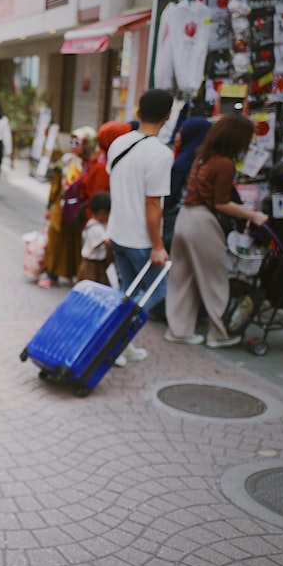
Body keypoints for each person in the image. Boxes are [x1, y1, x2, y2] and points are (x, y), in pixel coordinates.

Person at [165, 113, 269, 349]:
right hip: (203, 222)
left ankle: (179, 330)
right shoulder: (225, 164)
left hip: (185, 217)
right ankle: (218, 334)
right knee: (215, 280)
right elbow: (221, 203)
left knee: (182, 278)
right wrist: (253, 215)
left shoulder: (201, 158)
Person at [106, 88, 175, 365]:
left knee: (127, 290)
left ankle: (123, 343)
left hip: (117, 231)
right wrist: (158, 246)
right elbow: (153, 205)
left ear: (138, 112)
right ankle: (115, 339)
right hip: (140, 239)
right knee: (157, 291)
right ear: (168, 117)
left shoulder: (118, 143)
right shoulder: (160, 154)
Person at [39, 126, 96, 288]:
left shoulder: (91, 164)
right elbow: (56, 184)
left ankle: (75, 273)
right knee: (55, 236)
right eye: (71, 141)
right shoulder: (66, 160)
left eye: (77, 142)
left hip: (79, 207)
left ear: (87, 144)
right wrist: (49, 205)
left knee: (75, 240)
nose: (73, 145)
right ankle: (51, 272)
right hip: (61, 205)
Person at [163, 116, 212, 252]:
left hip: (178, 218)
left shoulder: (184, 163)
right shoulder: (204, 159)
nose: (177, 136)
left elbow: (170, 195)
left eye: (182, 131)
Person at [77, 191, 113, 285]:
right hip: (91, 266)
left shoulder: (99, 224)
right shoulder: (95, 228)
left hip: (96, 265)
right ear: (102, 213)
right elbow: (107, 242)